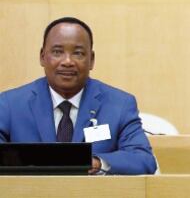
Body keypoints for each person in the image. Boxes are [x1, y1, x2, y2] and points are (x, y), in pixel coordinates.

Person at [0, 17, 157, 174]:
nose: (67, 61)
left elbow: (143, 159)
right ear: (42, 57)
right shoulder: (10, 104)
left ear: (91, 60)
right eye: (57, 52)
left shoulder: (120, 104)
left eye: (78, 53)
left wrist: (96, 163)